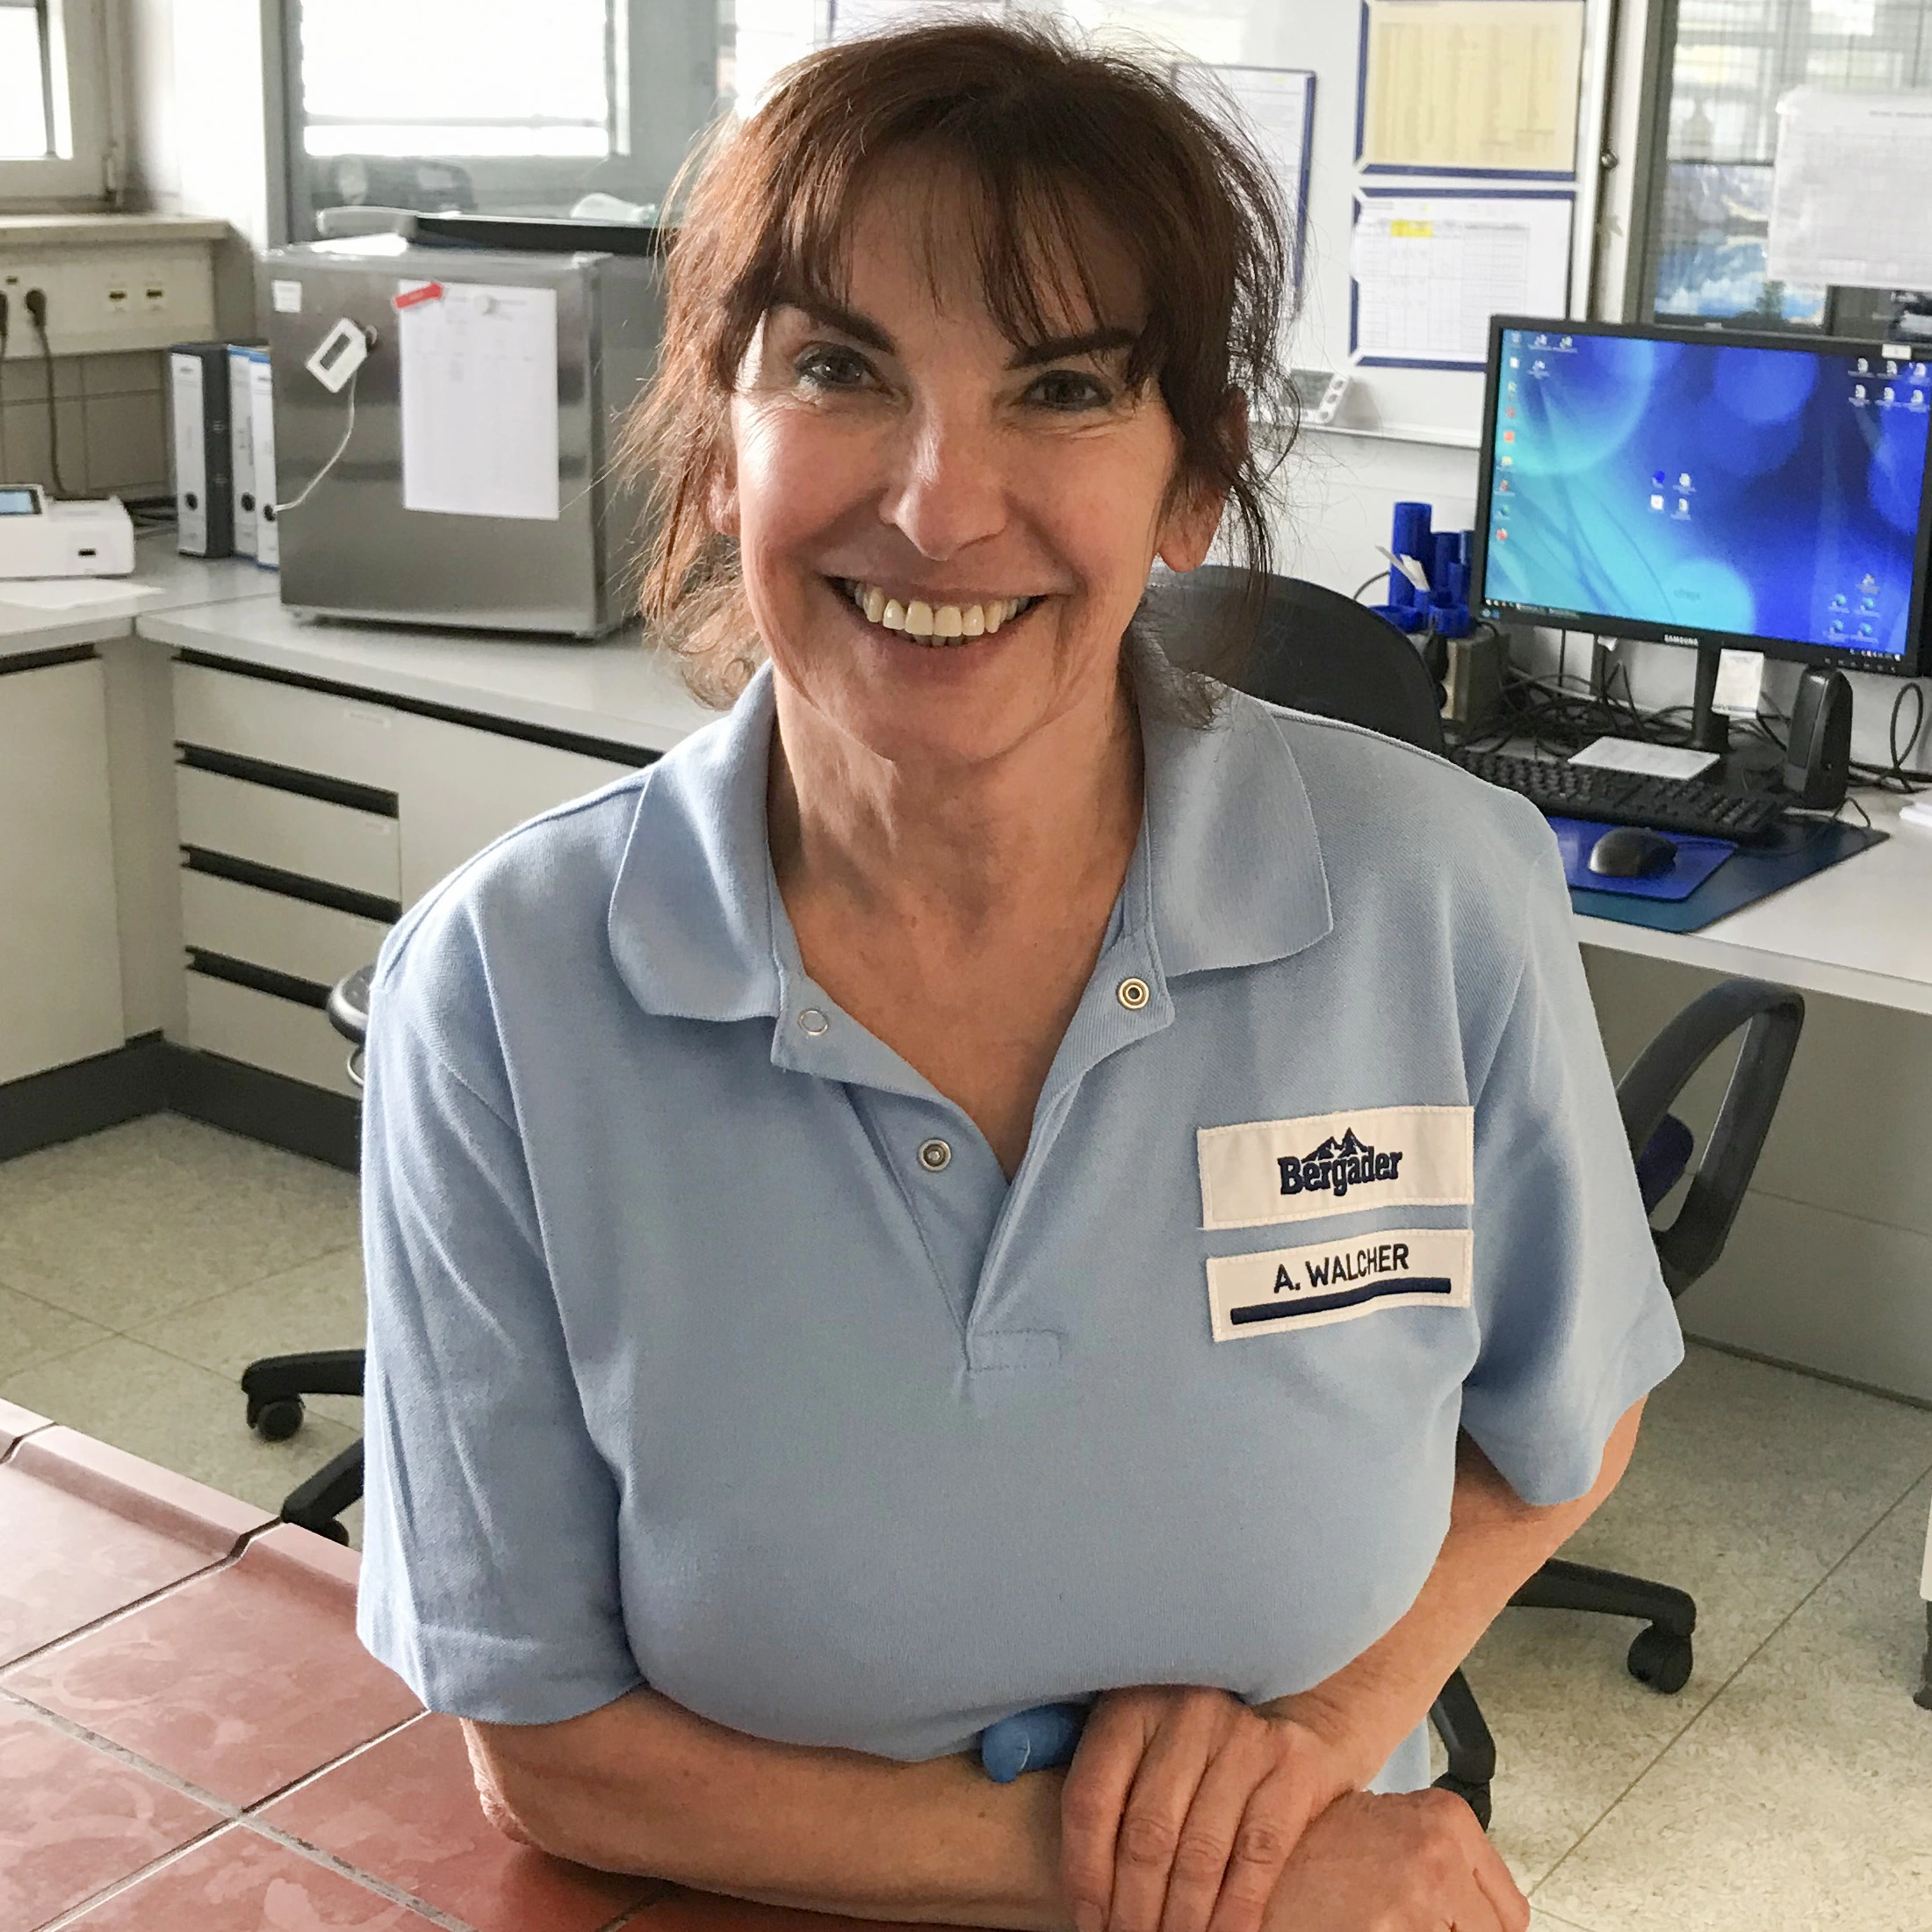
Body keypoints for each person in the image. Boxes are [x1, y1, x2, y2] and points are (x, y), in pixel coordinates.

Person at [353, 20, 1683, 1932]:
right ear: (718, 443)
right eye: (838, 368)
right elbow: (546, 1748)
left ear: (1190, 480)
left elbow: (1573, 1415)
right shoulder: (499, 990)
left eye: (1060, 389)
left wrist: (1320, 1742)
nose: (938, 504)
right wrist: (1165, 1869)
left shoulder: (1437, 889)